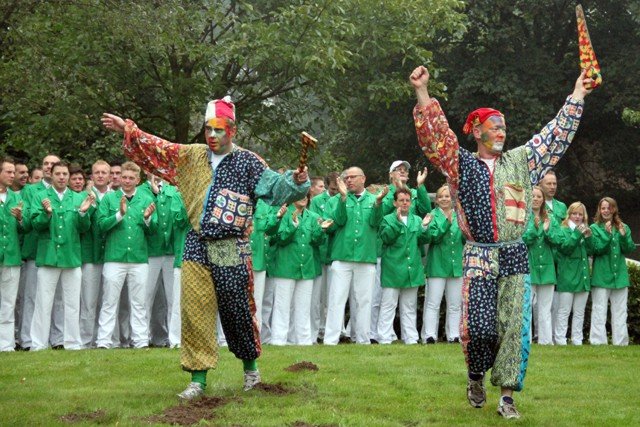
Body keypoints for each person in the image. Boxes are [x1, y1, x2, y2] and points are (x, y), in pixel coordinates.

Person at [410, 64, 592, 418]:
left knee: (513, 327)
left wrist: (578, 94)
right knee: (479, 328)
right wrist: (422, 91)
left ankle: (507, 397)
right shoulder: (460, 164)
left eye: (504, 128)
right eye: (495, 127)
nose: (501, 132)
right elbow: (437, 139)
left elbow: (555, 135)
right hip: (478, 254)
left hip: (514, 255)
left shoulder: (522, 162)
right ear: (477, 131)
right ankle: (476, 375)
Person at [101, 96, 309, 399]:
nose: (212, 135)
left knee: (238, 310)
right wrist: (128, 130)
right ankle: (197, 380)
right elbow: (159, 148)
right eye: (208, 129)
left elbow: (276, 189)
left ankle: (251, 372)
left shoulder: (249, 162)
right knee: (194, 310)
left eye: (219, 129)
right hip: (197, 242)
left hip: (231, 245)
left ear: (232, 130)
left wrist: (297, 182)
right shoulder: (192, 156)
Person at [29, 161, 94, 350]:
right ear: (51, 175)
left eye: (65, 174)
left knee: (73, 302)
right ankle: (38, 344)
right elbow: (35, 225)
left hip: (71, 256)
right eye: (58, 174)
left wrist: (83, 213)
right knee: (43, 302)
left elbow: (84, 228)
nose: (62, 177)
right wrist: (47, 214)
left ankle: (73, 343)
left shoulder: (78, 197)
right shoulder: (41, 196)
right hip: (49, 256)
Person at [95, 161, 157, 349]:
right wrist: (119, 215)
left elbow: (153, 230)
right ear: (119, 178)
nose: (127, 180)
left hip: (138, 258)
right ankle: (103, 341)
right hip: (114, 257)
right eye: (124, 177)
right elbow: (101, 225)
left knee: (139, 303)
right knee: (109, 301)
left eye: (131, 178)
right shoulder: (109, 198)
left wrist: (147, 218)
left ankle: (140, 341)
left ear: (138, 180)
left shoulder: (146, 198)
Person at [323, 167, 385, 345]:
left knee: (364, 301)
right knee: (336, 299)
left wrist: (378, 204)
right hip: (342, 256)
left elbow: (376, 223)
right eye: (346, 178)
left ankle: (363, 339)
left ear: (363, 178)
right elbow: (337, 223)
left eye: (353, 177)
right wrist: (343, 199)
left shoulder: (374, 199)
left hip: (365, 257)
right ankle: (330, 340)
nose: (349, 180)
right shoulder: (335, 200)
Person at [268, 194, 324, 345]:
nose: (304, 198)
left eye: (306, 195)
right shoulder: (284, 214)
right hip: (285, 267)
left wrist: (321, 230)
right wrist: (293, 225)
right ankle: (278, 340)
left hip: (306, 267)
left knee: (304, 307)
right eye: (300, 195)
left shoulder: (314, 216)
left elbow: (317, 241)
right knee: (282, 306)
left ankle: (304, 341)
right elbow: (280, 239)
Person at [377, 187, 430, 344]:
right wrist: (397, 223)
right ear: (395, 203)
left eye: (407, 200)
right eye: (401, 200)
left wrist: (424, 227)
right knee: (388, 305)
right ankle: (384, 337)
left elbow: (423, 240)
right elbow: (386, 238)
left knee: (409, 306)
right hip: (392, 269)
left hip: (411, 268)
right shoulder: (387, 219)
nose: (405, 203)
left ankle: (411, 338)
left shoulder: (417, 220)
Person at [17, 154, 60, 350]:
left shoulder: (64, 190)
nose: (49, 167)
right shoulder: (30, 190)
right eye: (46, 164)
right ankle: (27, 339)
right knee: (32, 297)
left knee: (56, 299)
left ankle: (57, 339)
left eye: (53, 164)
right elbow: (26, 220)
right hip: (35, 250)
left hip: (58, 253)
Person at [589, 197, 635, 346]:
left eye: (609, 208)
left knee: (621, 311)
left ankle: (620, 343)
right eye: (603, 208)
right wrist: (608, 236)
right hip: (601, 275)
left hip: (620, 276)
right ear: (599, 210)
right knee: (599, 310)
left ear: (614, 209)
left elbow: (629, 248)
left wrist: (623, 236)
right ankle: (598, 342)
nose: (606, 211)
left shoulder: (623, 226)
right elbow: (596, 249)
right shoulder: (594, 228)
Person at [422, 185, 465, 344]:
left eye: (447, 196)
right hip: (437, 265)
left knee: (455, 304)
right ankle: (429, 335)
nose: (444, 199)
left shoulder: (460, 215)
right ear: (436, 200)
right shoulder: (432, 215)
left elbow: (464, 239)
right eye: (441, 196)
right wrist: (447, 223)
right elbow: (433, 237)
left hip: (456, 265)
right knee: (433, 303)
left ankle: (454, 335)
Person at [522, 186, 561, 345]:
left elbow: (558, 240)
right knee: (526, 306)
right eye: (533, 196)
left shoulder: (550, 218)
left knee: (545, 307)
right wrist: (536, 228)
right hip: (528, 266)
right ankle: (527, 340)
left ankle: (546, 340)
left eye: (539, 196)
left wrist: (546, 230)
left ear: (543, 200)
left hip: (547, 268)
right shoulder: (523, 217)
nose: (536, 199)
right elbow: (522, 240)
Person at [79, 160, 111, 348]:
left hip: (111, 254)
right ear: (91, 176)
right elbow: (81, 226)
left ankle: (110, 340)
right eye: (97, 172)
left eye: (103, 172)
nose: (100, 175)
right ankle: (85, 341)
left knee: (109, 302)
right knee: (89, 301)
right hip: (90, 254)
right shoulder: (83, 196)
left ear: (109, 176)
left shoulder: (116, 196)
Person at [554, 202, 593, 346]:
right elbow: (566, 248)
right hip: (567, 277)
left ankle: (577, 340)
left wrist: (588, 237)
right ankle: (560, 339)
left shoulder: (585, 229)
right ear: (569, 214)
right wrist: (577, 233)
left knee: (579, 312)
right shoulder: (562, 229)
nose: (577, 217)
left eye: (580, 214)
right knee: (564, 311)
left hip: (583, 276)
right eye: (574, 213)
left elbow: (591, 251)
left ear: (584, 216)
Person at [0, 158, 25, 351]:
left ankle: (6, 344)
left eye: (13, 172)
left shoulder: (17, 198)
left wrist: (20, 219)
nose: (12, 175)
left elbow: (25, 229)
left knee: (8, 303)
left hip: (11, 256)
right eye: (8, 172)